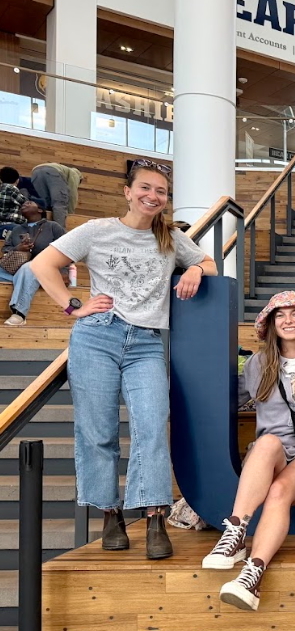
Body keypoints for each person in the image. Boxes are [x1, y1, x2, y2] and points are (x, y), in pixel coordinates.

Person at [30, 159, 217, 559]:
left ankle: (153, 515)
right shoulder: (98, 231)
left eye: (161, 192)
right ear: (128, 192)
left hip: (146, 342)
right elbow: (42, 264)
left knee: (151, 425)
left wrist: (196, 270)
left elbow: (209, 262)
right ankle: (110, 513)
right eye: (145, 188)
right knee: (98, 431)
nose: (152, 196)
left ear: (166, 201)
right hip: (97, 336)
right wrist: (72, 305)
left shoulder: (169, 237)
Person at [202, 291, 295, 612]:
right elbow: (225, 399)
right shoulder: (258, 364)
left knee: (280, 492)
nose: (288, 320)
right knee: (266, 443)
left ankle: (252, 575)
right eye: (281, 315)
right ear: (271, 324)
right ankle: (236, 532)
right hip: (271, 456)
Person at [1, 200, 67, 327]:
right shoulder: (16, 229)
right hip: (16, 269)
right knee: (25, 269)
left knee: (30, 267)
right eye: (23, 204)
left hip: (47, 270)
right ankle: (22, 280)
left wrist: (63, 271)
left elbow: (68, 249)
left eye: (29, 202)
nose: (24, 204)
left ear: (40, 210)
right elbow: (5, 250)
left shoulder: (53, 227)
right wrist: (18, 248)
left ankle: (19, 313)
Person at [30, 162, 83, 228]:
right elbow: (72, 194)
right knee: (59, 203)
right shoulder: (75, 174)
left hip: (35, 172)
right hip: (53, 172)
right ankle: (59, 232)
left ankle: (40, 229)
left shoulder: (64, 170)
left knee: (43, 204)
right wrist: (70, 214)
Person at [0, 166, 28, 235]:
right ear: (17, 180)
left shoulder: (1, 188)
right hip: (10, 224)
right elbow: (25, 203)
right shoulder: (12, 189)